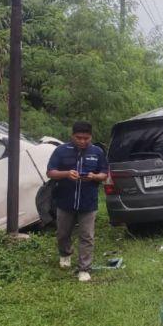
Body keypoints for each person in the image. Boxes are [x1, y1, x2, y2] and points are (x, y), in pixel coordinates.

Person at [46, 121, 108, 282]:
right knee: (62, 233)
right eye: (78, 137)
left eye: (86, 138)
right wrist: (66, 174)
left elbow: (104, 174)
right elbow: (50, 172)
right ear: (72, 135)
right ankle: (65, 254)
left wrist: (95, 177)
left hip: (88, 202)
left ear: (91, 137)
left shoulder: (97, 152)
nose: (82, 141)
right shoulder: (61, 151)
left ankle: (84, 269)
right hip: (65, 200)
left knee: (87, 236)